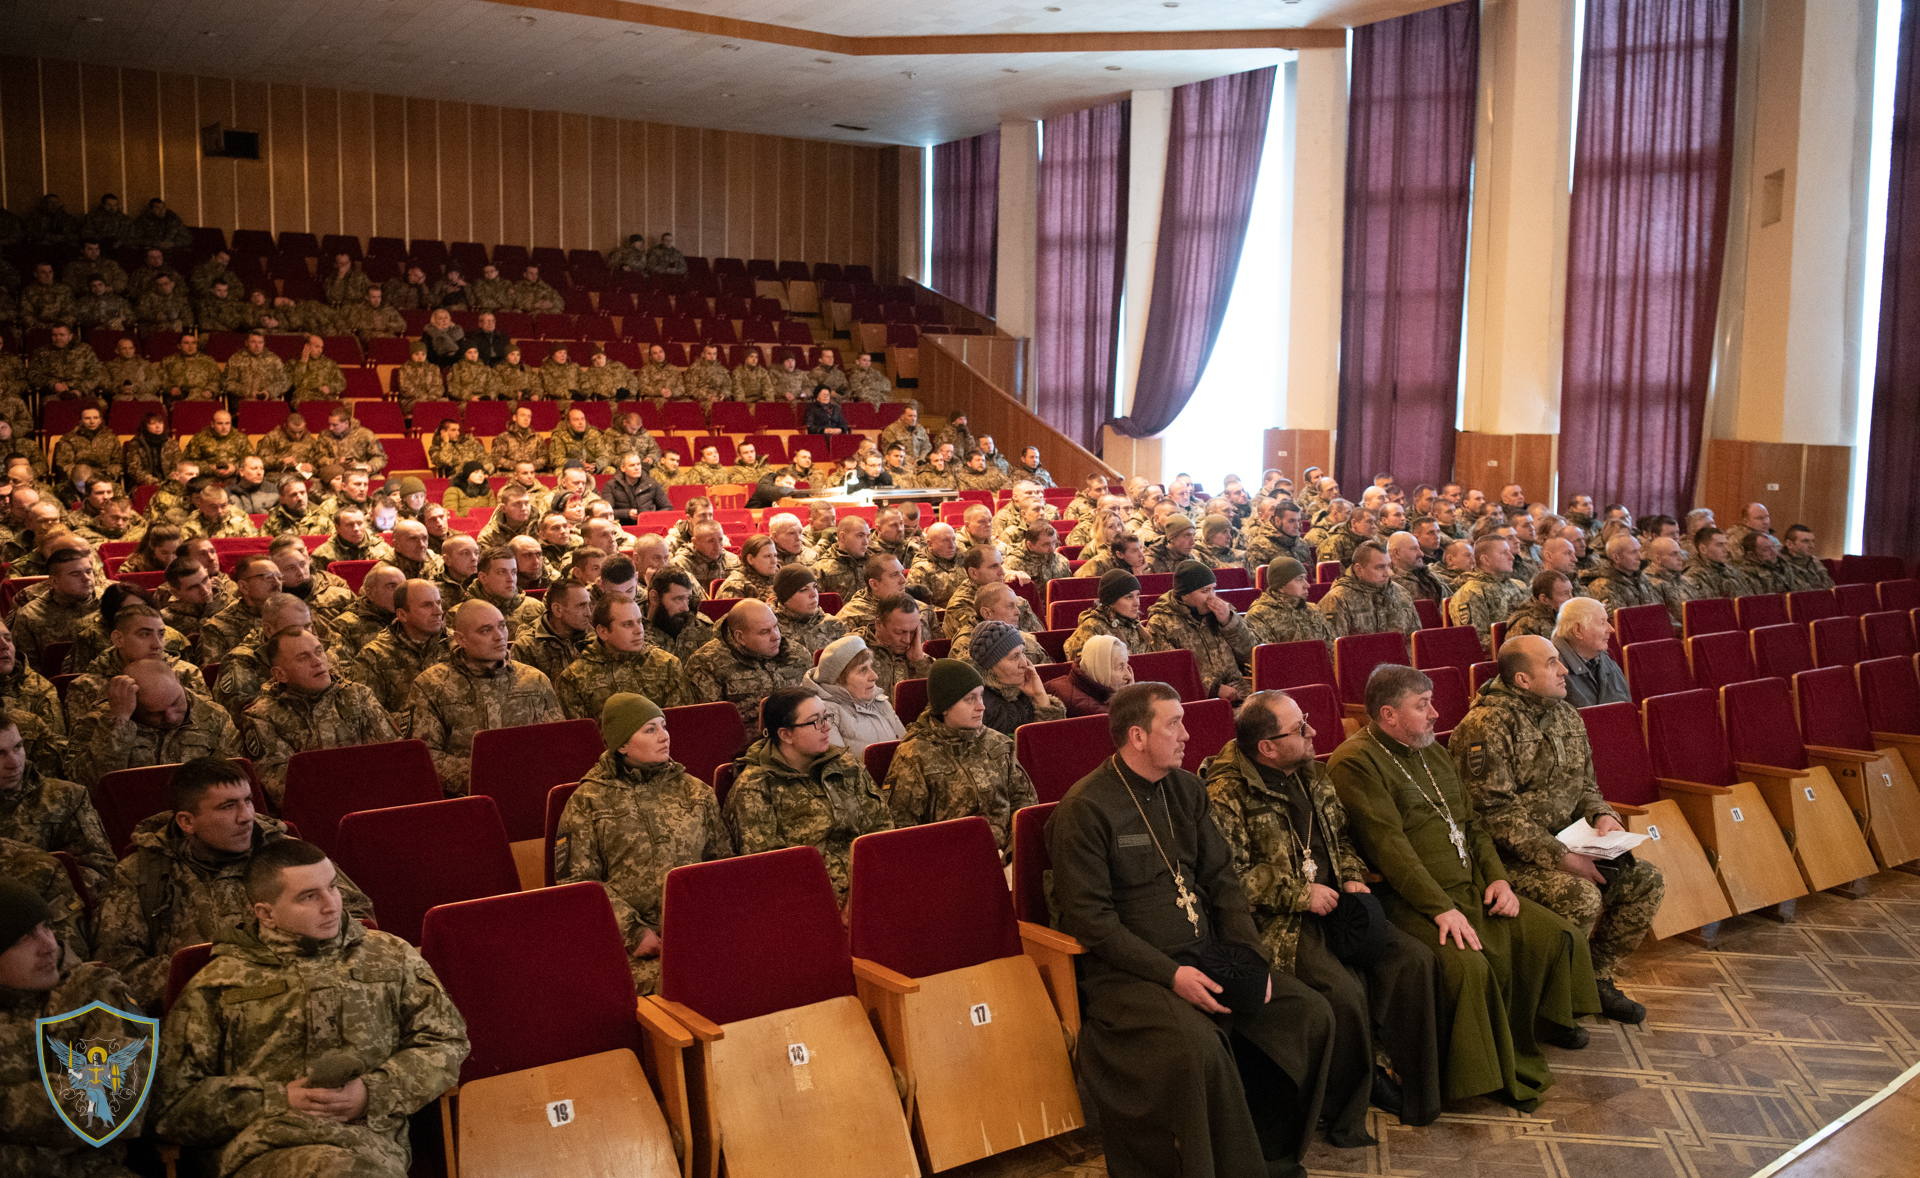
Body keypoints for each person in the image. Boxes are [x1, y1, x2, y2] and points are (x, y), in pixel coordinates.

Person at [1048, 682, 1336, 1177]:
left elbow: (1223, 882)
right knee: (1199, 1048)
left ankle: (1272, 1157)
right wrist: (1172, 975)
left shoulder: (1187, 789)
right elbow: (1092, 922)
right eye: (1174, 724)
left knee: (1309, 1015)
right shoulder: (1085, 809)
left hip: (1208, 955)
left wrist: (1251, 958)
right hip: (1132, 977)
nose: (1187, 735)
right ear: (1138, 736)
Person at [1327, 664, 1600, 1111]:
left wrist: (1499, 879)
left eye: (1432, 702)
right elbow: (1390, 849)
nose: (1436, 713)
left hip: (1472, 887)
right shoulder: (1356, 762)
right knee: (1468, 968)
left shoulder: (1431, 751)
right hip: (1410, 900)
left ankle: (1531, 1032)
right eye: (1422, 705)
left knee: (1556, 935)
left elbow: (1472, 825)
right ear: (1388, 714)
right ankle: (1483, 1070)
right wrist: (1440, 908)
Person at [1206, 689, 1444, 1137]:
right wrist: (1301, 894)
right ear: (1267, 747)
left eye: (1307, 720)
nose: (1313, 731)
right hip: (1282, 921)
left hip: (1340, 906)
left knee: (1415, 960)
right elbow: (1230, 877)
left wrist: (1352, 876)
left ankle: (1418, 1084)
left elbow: (1342, 838)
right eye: (1300, 729)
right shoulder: (1225, 793)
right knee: (1343, 992)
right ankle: (1354, 1094)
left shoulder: (1311, 773)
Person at [155, 838, 468, 1176]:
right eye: (309, 896)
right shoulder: (219, 984)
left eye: (332, 887)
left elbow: (446, 1043)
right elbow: (172, 1105)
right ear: (266, 914)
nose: (331, 905)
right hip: (265, 1151)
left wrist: (371, 1091)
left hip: (369, 1148)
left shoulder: (391, 957)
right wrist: (276, 1099)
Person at [1452, 635, 1660, 1025]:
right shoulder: (1485, 726)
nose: (1565, 669)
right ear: (1523, 679)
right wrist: (1563, 858)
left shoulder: (1566, 714)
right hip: (1508, 861)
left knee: (1645, 880)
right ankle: (1548, 1005)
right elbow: (1492, 813)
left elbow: (1586, 787)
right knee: (1580, 896)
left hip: (1570, 845)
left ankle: (1594, 979)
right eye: (1552, 663)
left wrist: (1602, 816)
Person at [94, 757, 375, 1011]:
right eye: (228, 806)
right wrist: (224, 979)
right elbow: (116, 964)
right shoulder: (141, 874)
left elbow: (358, 916)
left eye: (248, 800)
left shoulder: (285, 852)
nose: (246, 816)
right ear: (187, 822)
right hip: (198, 1013)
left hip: (301, 1000)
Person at [555, 694, 732, 993]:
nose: (664, 736)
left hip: (700, 933)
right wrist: (634, 932)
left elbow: (723, 863)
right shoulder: (588, 801)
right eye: (650, 729)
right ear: (622, 744)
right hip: (630, 946)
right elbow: (577, 883)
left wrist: (714, 925)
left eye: (663, 726)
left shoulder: (696, 792)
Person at [0, 876, 151, 1176]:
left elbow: (113, 1101)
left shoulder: (95, 991)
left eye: (47, 926)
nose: (49, 945)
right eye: (23, 938)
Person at [721, 685, 892, 903]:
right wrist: (839, 906)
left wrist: (866, 894)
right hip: (808, 903)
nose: (827, 727)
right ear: (786, 735)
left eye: (825, 717)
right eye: (815, 721)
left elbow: (881, 829)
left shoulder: (847, 766)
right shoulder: (755, 788)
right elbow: (772, 872)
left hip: (868, 889)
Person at [404, 600, 565, 794]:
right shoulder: (431, 685)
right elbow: (423, 756)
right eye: (486, 630)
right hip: (464, 797)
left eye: (502, 626)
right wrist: (488, 775)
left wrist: (526, 773)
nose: (499, 636)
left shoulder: (534, 680)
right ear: (461, 639)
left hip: (531, 790)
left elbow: (557, 743)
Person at [240, 628, 399, 805]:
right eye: (303, 658)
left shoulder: (358, 696)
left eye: (319, 651)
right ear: (280, 674)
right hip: (312, 814)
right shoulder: (262, 717)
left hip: (376, 803)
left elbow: (394, 761)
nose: (317, 662)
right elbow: (286, 790)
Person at [71, 658, 242, 789]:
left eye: (175, 703)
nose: (171, 717)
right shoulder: (97, 723)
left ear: (178, 680)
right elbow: (89, 787)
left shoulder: (215, 716)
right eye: (155, 714)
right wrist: (119, 723)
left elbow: (233, 781)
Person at [684, 600, 810, 738]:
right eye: (764, 632)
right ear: (740, 637)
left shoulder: (797, 654)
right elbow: (710, 726)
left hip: (797, 739)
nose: (776, 636)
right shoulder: (707, 663)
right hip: (743, 746)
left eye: (775, 626)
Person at [555, 595, 691, 719]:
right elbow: (583, 734)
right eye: (628, 624)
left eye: (639, 621)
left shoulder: (667, 664)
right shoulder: (574, 678)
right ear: (603, 632)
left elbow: (681, 723)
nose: (639, 630)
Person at [1145, 561, 1254, 703]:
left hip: (1239, 689)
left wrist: (1229, 622)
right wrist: (1213, 688)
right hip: (1197, 697)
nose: (1212, 597)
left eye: (1213, 589)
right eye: (1205, 591)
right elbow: (1172, 671)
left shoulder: (1223, 611)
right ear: (1184, 595)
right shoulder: (1161, 623)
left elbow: (1250, 652)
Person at [802, 635, 905, 760]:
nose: (874, 676)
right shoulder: (825, 712)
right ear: (839, 678)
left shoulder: (879, 699)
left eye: (871, 667)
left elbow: (906, 747)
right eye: (862, 670)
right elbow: (839, 766)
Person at [968, 619, 1065, 735]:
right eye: (1015, 656)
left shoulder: (1024, 692)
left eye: (1023, 652)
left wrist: (1040, 696)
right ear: (990, 666)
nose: (1024, 664)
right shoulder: (978, 706)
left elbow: (1054, 739)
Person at [1449, 537, 1530, 655]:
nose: (1512, 557)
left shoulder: (1519, 585)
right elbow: (1474, 640)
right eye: (1504, 553)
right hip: (1505, 658)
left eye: (1509, 552)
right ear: (1486, 560)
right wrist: (1519, 646)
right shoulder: (1470, 592)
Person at [1245, 557, 1336, 655]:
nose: (1307, 585)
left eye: (1305, 578)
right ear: (1280, 586)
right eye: (1299, 579)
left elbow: (1332, 649)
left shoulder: (1313, 609)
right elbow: (1269, 658)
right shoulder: (1259, 615)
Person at [1550, 597, 1630, 708]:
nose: (1611, 629)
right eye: (1602, 623)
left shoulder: (1603, 657)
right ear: (1578, 630)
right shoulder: (1552, 668)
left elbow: (1626, 706)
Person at [1064, 569, 1156, 660]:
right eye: (1129, 597)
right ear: (1111, 601)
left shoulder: (1136, 626)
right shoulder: (1092, 628)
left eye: (1137, 595)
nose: (1137, 603)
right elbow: (1080, 666)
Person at [1055, 634, 1134, 717]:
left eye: (1126, 665)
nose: (1129, 675)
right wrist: (1128, 698)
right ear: (1101, 669)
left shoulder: (1075, 681)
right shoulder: (1094, 712)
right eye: (1120, 667)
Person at [1505, 570, 1574, 642]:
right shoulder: (1526, 624)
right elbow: (1520, 649)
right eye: (1565, 593)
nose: (1571, 598)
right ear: (1544, 599)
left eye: (1571, 592)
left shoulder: (1562, 616)